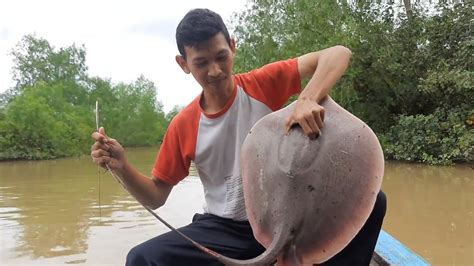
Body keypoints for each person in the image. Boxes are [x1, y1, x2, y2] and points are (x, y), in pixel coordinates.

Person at [91, 8, 387, 266]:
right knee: (142, 258)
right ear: (183, 64)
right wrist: (122, 166)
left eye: (221, 56)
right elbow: (156, 196)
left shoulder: (262, 85)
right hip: (227, 228)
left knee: (375, 202)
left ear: (233, 47)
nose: (215, 70)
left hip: (285, 217)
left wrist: (307, 98)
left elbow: (337, 53)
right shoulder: (184, 124)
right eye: (201, 62)